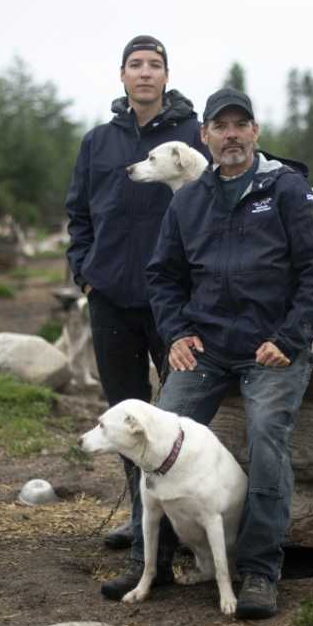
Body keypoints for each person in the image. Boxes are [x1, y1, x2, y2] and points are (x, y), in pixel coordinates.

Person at [99, 87, 313, 620]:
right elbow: (163, 274)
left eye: (240, 125)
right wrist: (178, 333)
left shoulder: (287, 189)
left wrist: (290, 338)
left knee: (265, 436)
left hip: (272, 347)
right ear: (203, 135)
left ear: (255, 131)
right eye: (219, 126)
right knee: (158, 433)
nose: (230, 135)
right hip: (204, 348)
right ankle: (151, 562)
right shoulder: (189, 198)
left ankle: (258, 570)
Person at [64, 35, 208, 550]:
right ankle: (139, 518)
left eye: (155, 65)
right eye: (135, 65)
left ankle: (183, 523)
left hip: (175, 302)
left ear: (166, 76)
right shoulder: (98, 142)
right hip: (111, 297)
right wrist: (84, 272)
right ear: (122, 76)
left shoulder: (194, 135)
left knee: (178, 412)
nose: (145, 72)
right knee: (125, 411)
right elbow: (78, 214)